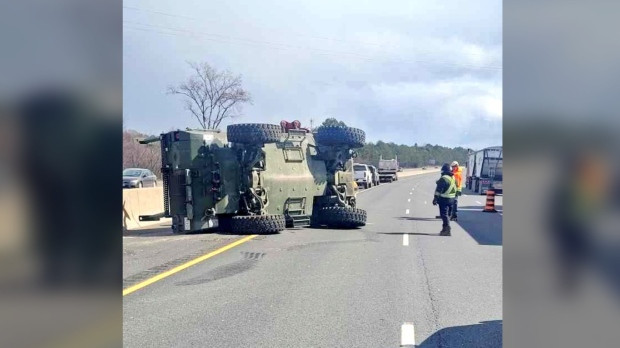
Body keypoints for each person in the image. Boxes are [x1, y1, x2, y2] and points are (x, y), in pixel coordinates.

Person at [433, 163, 457, 236]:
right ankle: (445, 228)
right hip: (452, 199)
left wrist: (435, 199)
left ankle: (447, 229)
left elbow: (438, 190)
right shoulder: (453, 178)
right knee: (447, 215)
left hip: (444, 199)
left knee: (444, 214)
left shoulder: (444, 178)